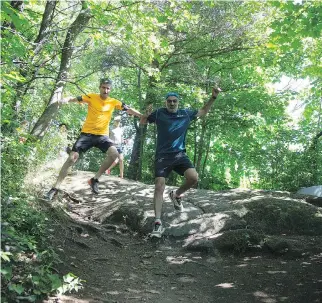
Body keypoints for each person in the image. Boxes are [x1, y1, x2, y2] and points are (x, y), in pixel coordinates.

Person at [141, 86, 221, 238]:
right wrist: (145, 114)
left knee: (194, 178)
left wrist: (213, 97)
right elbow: (143, 123)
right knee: (159, 185)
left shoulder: (185, 113)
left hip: (179, 155)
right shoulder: (159, 113)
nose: (172, 103)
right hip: (163, 156)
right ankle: (157, 223)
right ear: (166, 102)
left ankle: (176, 194)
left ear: (178, 102)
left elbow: (203, 112)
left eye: (174, 101)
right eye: (169, 101)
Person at [45, 78, 143, 200]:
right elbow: (75, 99)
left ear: (110, 89)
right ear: (99, 87)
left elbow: (128, 109)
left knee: (114, 154)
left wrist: (140, 115)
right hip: (87, 134)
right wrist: (65, 99)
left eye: (108, 88)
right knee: (72, 158)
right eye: (103, 87)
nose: (105, 90)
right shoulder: (91, 97)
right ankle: (55, 188)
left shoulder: (113, 102)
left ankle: (94, 179)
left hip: (102, 136)